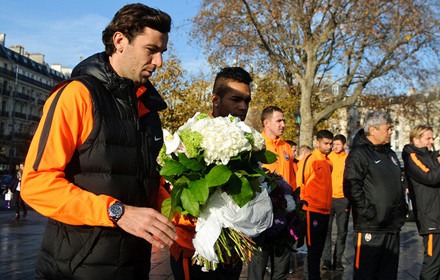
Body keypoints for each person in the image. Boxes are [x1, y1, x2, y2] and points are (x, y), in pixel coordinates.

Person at [21, 4, 177, 279]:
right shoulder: (77, 95)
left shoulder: (148, 110)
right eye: (151, 50)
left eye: (162, 52)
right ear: (120, 41)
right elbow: (36, 184)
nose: (159, 62)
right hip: (74, 269)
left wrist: (192, 211)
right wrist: (116, 211)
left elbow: (148, 186)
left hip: (133, 267)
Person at [168, 66, 252, 280]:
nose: (243, 107)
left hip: (231, 254)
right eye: (236, 99)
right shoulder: (189, 137)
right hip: (194, 251)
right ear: (216, 99)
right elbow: (178, 199)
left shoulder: (248, 143)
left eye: (247, 101)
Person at [344, 111, 407, 280]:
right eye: (387, 128)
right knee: (366, 275)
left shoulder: (391, 155)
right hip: (370, 228)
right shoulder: (359, 154)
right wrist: (369, 212)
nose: (390, 132)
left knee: (388, 275)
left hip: (392, 227)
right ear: (373, 130)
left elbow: (398, 185)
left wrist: (402, 210)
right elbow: (351, 186)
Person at [247, 106, 296, 280]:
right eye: (279, 121)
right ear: (266, 122)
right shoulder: (255, 145)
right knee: (257, 267)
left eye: (284, 120)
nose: (283, 124)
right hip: (261, 217)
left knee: (281, 268)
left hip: (284, 215)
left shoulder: (286, 147)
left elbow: (292, 179)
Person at [402, 124, 440, 280]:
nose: (431, 141)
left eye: (432, 138)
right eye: (428, 138)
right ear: (416, 140)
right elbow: (430, 177)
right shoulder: (412, 156)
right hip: (430, 216)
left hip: (437, 213)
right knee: (432, 262)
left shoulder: (430, 156)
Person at [296, 130, 333, 280]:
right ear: (317, 143)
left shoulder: (328, 162)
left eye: (330, 143)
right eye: (326, 143)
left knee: (319, 249)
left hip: (325, 210)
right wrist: (303, 204)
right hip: (312, 209)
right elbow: (301, 183)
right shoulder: (310, 160)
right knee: (313, 250)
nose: (329, 146)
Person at [322, 134, 349, 271]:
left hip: (343, 199)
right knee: (326, 231)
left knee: (342, 231)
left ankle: (338, 260)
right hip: (328, 198)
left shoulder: (348, 159)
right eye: (334, 144)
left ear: (344, 145)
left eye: (338, 144)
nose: (335, 147)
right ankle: (326, 259)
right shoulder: (328, 158)